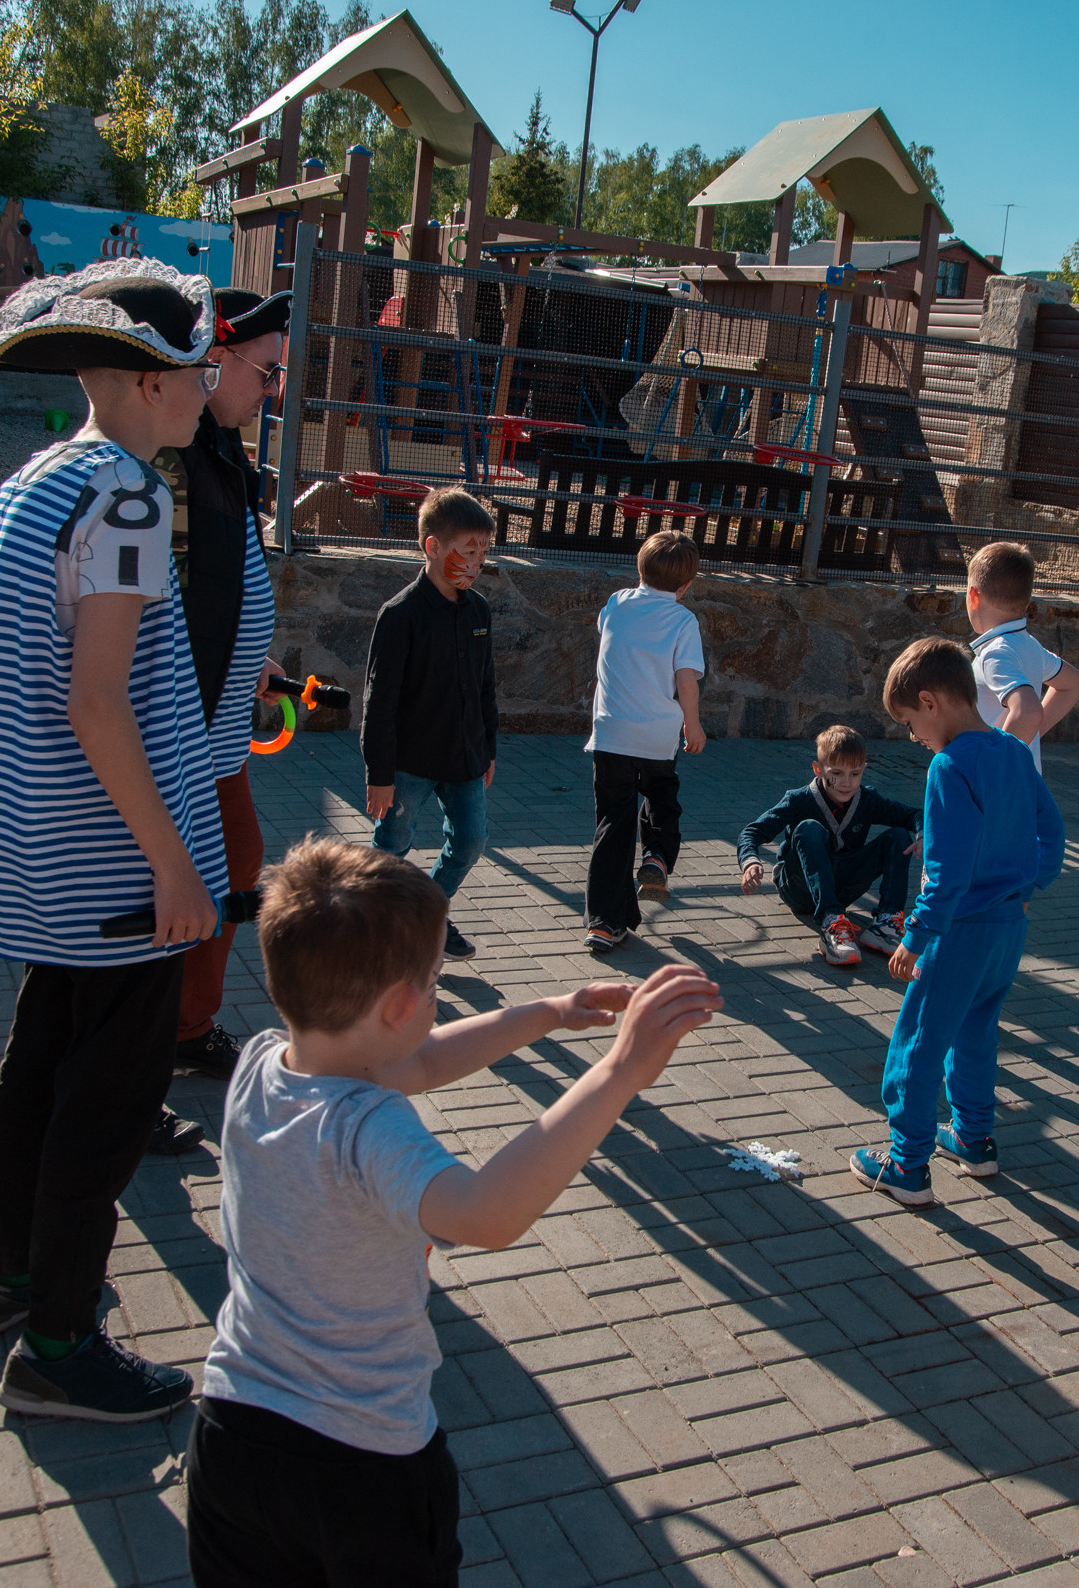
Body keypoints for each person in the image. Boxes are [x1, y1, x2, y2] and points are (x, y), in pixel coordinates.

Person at [187, 838, 722, 1586]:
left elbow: (425, 1057)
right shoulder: (368, 1125)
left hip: (232, 1435)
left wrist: (547, 1011)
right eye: (434, 980)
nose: (435, 996)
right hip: (361, 1463)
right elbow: (485, 1213)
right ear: (398, 1005)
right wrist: (620, 1070)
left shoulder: (263, 1063)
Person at [0, 257, 229, 1424]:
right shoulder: (127, 495)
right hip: (113, 860)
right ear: (136, 378)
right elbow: (98, 698)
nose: (207, 383)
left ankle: (7, 1282)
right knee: (104, 1107)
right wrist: (173, 862)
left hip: (38, 844)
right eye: (191, 367)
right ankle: (62, 1344)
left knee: (38, 1070)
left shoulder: (36, 480)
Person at [142, 285, 292, 1154]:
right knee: (176, 893)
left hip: (222, 719)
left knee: (236, 864)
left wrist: (255, 660)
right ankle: (137, 1066)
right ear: (215, 356)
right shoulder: (171, 455)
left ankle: (187, 1028)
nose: (271, 389)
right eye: (265, 372)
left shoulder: (220, 448)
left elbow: (214, 585)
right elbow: (154, 607)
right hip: (181, 730)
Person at [851, 639, 1064, 1208]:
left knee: (916, 1045)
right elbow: (1054, 838)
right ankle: (974, 1139)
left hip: (958, 932)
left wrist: (915, 939)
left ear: (930, 700)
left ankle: (908, 1164)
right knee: (976, 1032)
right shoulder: (1016, 752)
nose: (913, 736)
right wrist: (1024, 887)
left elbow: (946, 872)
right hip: (1007, 931)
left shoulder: (949, 766)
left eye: (910, 722)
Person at [361, 487, 499, 961]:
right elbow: (378, 701)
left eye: (484, 551)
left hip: (464, 758)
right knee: (392, 845)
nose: (478, 561)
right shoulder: (400, 615)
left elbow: (485, 686)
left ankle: (429, 916)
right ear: (433, 547)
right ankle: (375, 930)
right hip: (409, 763)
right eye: (469, 549)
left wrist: (488, 749)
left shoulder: (479, 610)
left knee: (471, 840)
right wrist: (380, 775)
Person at [582, 530, 706, 953]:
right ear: (686, 586)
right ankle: (655, 856)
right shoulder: (683, 621)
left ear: (639, 569)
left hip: (612, 732)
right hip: (657, 735)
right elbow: (685, 679)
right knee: (661, 796)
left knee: (613, 822)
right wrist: (693, 724)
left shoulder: (616, 603)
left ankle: (603, 921)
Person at [735, 724, 922, 969]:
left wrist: (922, 833)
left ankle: (885, 924)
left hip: (843, 885)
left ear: (864, 770)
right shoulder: (799, 799)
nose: (847, 783)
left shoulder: (867, 799)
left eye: (855, 774)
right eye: (837, 773)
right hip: (799, 890)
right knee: (808, 828)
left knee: (899, 836)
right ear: (818, 769)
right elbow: (752, 831)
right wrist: (750, 861)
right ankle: (831, 923)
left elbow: (914, 814)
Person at [964, 542, 1079, 770]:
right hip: (1025, 790)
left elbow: (1028, 711)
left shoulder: (995, 654)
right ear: (1027, 600)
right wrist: (1031, 735)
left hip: (999, 794)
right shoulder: (1029, 645)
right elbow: (1074, 683)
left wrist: (993, 766)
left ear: (973, 596)